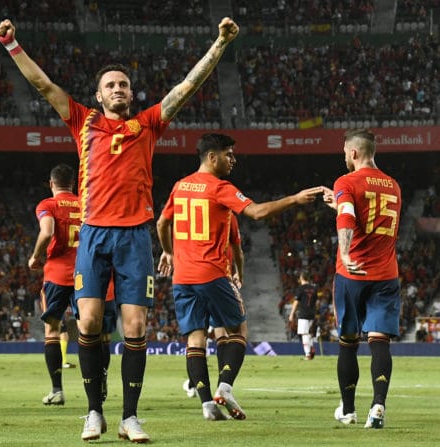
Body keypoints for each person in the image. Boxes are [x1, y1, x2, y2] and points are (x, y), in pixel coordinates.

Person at [0, 15, 240, 443]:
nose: (118, 90)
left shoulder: (147, 124)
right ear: (98, 95)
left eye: (124, 85)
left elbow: (186, 88)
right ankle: (94, 412)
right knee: (88, 322)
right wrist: (13, 45)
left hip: (134, 236)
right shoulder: (82, 121)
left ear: (131, 93)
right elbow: (43, 86)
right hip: (93, 233)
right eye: (111, 85)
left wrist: (219, 44)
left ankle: (130, 416)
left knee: (135, 327)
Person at [156, 133, 325, 421]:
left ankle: (207, 405)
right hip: (211, 273)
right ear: (212, 157)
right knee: (239, 331)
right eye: (229, 154)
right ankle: (225, 386)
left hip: (183, 277)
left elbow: (162, 223)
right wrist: (295, 199)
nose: (233, 160)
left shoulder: (179, 186)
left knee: (195, 340)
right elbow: (257, 213)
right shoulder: (220, 188)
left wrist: (168, 253)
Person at [322, 129, 402, 429]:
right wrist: (340, 202)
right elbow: (368, 214)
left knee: (348, 343)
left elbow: (347, 216)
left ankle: (349, 409)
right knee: (380, 342)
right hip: (386, 274)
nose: (344, 157)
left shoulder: (346, 181)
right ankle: (378, 405)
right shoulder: (393, 185)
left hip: (353, 274)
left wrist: (344, 253)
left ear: (354, 153)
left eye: (345, 152)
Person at [28, 163, 81, 406]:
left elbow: (47, 232)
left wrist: (36, 256)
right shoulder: (86, 204)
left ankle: (57, 390)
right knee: (92, 331)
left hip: (57, 275)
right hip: (85, 274)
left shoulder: (47, 205)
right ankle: (99, 386)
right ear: (73, 184)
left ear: (51, 184)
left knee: (52, 330)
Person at [183, 216, 243, 398]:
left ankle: (199, 389)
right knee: (230, 332)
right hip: (219, 278)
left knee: (196, 339)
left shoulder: (187, 211)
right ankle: (222, 384)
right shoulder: (226, 215)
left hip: (188, 278)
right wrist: (239, 273)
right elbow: (237, 248)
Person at [288, 271, 319, 360]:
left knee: (304, 334)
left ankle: (308, 354)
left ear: (301, 278)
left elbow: (296, 302)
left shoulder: (301, 289)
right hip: (312, 314)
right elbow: (316, 303)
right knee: (309, 334)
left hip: (303, 314)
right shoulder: (314, 288)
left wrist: (291, 314)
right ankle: (311, 348)